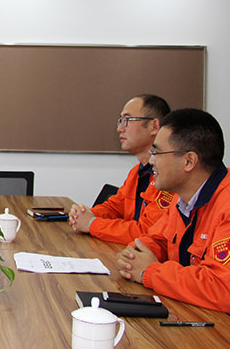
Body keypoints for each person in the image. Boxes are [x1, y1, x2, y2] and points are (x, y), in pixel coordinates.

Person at [115, 108, 230, 340]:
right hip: (197, 314)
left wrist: (150, 271)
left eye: (157, 152)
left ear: (189, 161)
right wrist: (135, 257)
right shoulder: (183, 198)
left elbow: (227, 293)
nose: (151, 160)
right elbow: (156, 240)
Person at [68, 94, 175, 244]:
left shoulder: (169, 178)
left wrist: (92, 224)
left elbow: (147, 232)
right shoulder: (137, 172)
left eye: (127, 120)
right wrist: (85, 214)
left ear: (154, 126)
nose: (119, 129)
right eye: (120, 121)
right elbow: (115, 208)